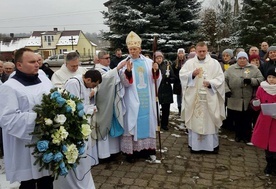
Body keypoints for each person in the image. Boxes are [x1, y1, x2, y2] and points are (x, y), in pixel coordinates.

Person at [0, 48, 54, 189]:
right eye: (31, 62)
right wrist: (38, 118)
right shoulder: (10, 87)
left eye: (37, 61)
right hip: (24, 145)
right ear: (19, 65)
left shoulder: (43, 80)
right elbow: (7, 118)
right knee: (28, 183)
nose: (37, 64)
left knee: (47, 179)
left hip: (47, 140)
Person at [54, 69, 102, 189]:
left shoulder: (84, 84)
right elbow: (71, 107)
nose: (92, 88)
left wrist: (90, 108)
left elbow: (83, 103)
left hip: (82, 122)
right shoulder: (73, 83)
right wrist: (90, 109)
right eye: (93, 85)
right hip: (73, 124)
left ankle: (83, 180)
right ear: (88, 79)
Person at [118, 31, 161, 163]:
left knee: (148, 122)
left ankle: (148, 150)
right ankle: (132, 153)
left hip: (146, 98)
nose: (133, 51)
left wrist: (156, 70)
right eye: (131, 49)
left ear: (140, 49)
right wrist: (128, 72)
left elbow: (156, 80)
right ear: (128, 49)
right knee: (133, 122)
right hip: (131, 99)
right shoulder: (124, 63)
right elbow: (123, 83)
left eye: (135, 49)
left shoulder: (148, 62)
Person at [179, 41, 225, 154]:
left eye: (204, 51)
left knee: (210, 122)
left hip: (209, 97)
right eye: (199, 51)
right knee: (195, 121)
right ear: (196, 51)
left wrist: (210, 83)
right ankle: (195, 146)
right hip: (194, 99)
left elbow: (220, 78)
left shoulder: (214, 63)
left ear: (207, 50)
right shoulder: (190, 63)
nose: (202, 53)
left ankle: (211, 146)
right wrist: (192, 74)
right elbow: (182, 75)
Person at [224, 52, 264, 144]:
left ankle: (247, 136)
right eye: (240, 58)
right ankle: (238, 135)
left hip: (248, 98)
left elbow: (261, 79)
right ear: (237, 59)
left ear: (247, 59)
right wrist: (227, 91)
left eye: (244, 58)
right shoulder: (230, 69)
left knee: (247, 119)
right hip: (235, 97)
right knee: (237, 118)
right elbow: (223, 80)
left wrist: (251, 81)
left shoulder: (254, 69)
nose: (242, 60)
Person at [94, 51, 126, 162]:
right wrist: (116, 70)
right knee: (105, 125)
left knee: (113, 124)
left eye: (109, 57)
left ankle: (114, 151)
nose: (108, 60)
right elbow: (104, 80)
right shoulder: (97, 70)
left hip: (111, 101)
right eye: (106, 58)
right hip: (103, 104)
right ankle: (104, 154)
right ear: (99, 60)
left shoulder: (108, 69)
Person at [251, 67, 276, 175]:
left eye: (274, 77)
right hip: (265, 120)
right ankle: (269, 164)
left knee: (274, 145)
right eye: (269, 77)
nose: (271, 79)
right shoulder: (262, 88)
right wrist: (255, 103)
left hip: (275, 122)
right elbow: (257, 101)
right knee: (267, 145)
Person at [155, 51, 176, 130]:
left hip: (166, 90)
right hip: (157, 90)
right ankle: (156, 123)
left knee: (166, 109)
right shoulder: (153, 66)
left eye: (160, 58)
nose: (159, 60)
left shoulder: (167, 66)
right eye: (157, 58)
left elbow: (174, 77)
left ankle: (164, 124)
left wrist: (169, 79)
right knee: (155, 108)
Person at [172, 48, 186, 116]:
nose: (181, 55)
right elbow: (173, 72)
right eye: (179, 53)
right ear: (178, 54)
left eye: (182, 53)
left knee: (185, 96)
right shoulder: (175, 63)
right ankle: (179, 109)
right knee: (179, 96)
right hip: (178, 82)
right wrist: (176, 78)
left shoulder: (186, 62)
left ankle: (185, 109)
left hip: (185, 82)